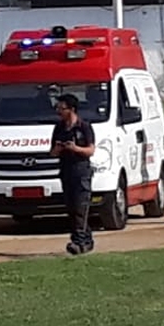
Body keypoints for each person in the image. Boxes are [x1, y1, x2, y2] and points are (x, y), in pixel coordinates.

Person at [50, 93, 96, 255]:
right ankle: (86, 240)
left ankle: (78, 242)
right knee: (71, 208)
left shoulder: (84, 127)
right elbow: (52, 153)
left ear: (72, 109)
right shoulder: (59, 128)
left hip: (81, 171)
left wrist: (76, 149)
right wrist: (59, 148)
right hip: (66, 171)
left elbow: (91, 150)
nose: (58, 111)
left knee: (80, 207)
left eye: (62, 108)